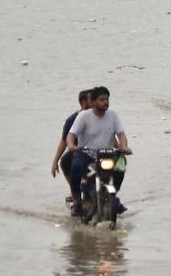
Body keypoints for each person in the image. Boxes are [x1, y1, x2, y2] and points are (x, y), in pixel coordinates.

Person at [66, 86, 131, 216]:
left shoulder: (113, 115)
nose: (105, 102)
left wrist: (124, 147)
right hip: (87, 154)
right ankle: (77, 200)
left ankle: (113, 195)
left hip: (107, 154)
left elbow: (121, 135)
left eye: (107, 99)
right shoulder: (84, 116)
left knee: (121, 165)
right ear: (93, 102)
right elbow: (71, 135)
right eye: (102, 100)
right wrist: (71, 145)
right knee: (76, 166)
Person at [51, 90, 92, 201]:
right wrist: (55, 161)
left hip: (99, 151)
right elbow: (64, 141)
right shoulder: (72, 119)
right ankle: (76, 195)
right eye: (92, 99)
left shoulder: (102, 116)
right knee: (65, 161)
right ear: (84, 102)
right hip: (80, 151)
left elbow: (111, 135)